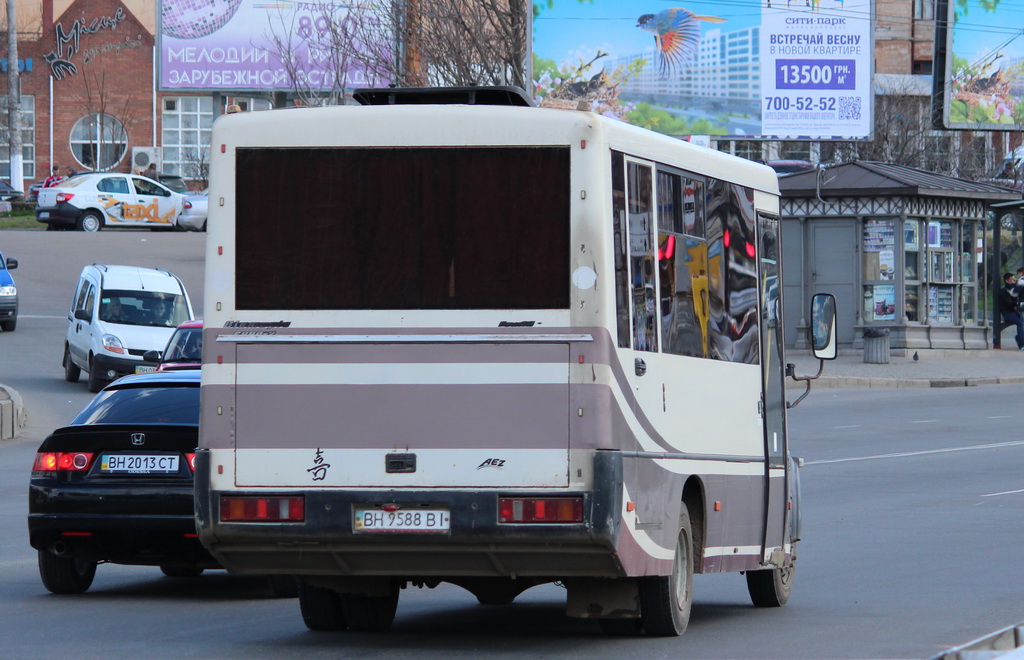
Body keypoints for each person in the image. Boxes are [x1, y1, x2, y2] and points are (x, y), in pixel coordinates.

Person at [998, 272, 1024, 350]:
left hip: (1014, 312)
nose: (1014, 281)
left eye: (1014, 279)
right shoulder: (1004, 291)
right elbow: (1008, 304)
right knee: (1020, 323)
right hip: (1008, 313)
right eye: (1012, 279)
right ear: (1007, 281)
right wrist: (1017, 302)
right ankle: (1021, 343)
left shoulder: (1015, 289)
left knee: (1021, 322)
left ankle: (1019, 338)